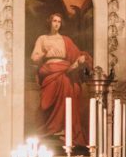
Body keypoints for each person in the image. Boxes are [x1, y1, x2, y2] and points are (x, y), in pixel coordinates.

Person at [30, 13, 92, 147]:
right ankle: (50, 129)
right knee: (46, 103)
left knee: (68, 94)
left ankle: (64, 130)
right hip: (49, 72)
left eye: (59, 21)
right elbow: (34, 57)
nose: (56, 24)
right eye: (54, 21)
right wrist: (45, 53)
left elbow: (76, 55)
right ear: (49, 22)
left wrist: (81, 59)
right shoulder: (43, 38)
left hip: (65, 71)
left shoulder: (66, 40)